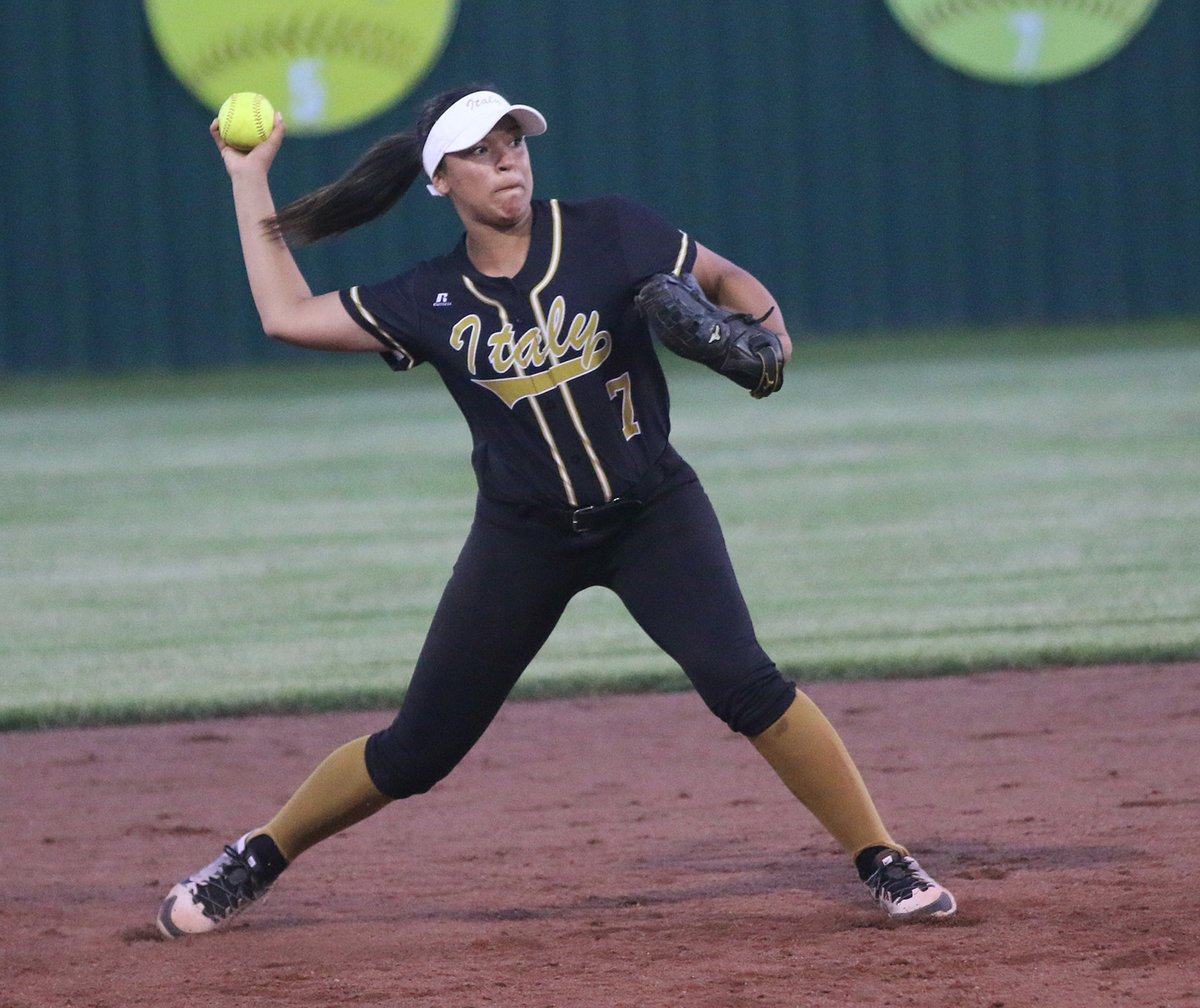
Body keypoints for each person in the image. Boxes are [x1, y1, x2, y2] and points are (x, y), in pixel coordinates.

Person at [156, 85, 956, 938]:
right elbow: (285, 316)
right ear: (439, 180)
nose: (507, 157)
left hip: (652, 511)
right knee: (415, 753)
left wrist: (770, 334)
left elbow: (720, 274)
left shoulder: (608, 228)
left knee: (746, 683)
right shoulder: (429, 298)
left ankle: (881, 856)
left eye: (513, 140)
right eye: (480, 149)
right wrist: (250, 178)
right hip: (524, 537)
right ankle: (254, 859)